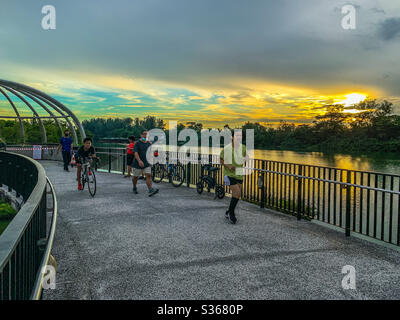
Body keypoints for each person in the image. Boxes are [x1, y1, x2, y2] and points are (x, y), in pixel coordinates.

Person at [220, 131, 248, 224]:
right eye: (236, 136)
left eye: (240, 136)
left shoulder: (243, 147)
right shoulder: (227, 148)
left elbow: (245, 157)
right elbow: (221, 159)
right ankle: (231, 214)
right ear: (232, 137)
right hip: (229, 174)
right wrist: (229, 166)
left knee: (237, 195)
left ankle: (228, 211)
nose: (238, 138)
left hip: (239, 173)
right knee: (237, 192)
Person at [131, 129, 158, 196]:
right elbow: (135, 153)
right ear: (141, 135)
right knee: (135, 177)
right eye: (144, 134)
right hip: (137, 163)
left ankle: (150, 189)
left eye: (147, 134)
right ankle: (134, 187)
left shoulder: (149, 143)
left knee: (148, 175)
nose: (145, 135)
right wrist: (139, 161)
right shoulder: (137, 143)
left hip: (146, 163)